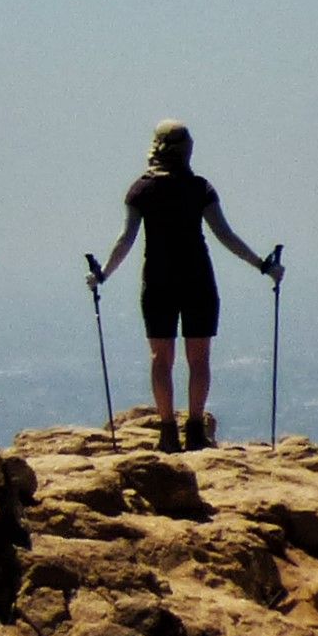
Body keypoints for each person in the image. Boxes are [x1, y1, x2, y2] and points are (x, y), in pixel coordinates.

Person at [90, 121, 279, 450]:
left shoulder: (141, 190)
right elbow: (225, 235)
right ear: (184, 149)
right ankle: (194, 430)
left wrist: (103, 274)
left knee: (160, 359)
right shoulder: (199, 188)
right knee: (199, 359)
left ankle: (167, 433)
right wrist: (262, 265)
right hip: (197, 279)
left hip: (159, 280)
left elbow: (126, 240)